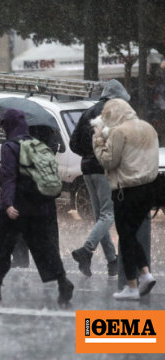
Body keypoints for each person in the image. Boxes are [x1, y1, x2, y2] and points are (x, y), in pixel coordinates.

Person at [0, 109, 73, 304]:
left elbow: (9, 177)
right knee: (45, 247)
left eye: (3, 126)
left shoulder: (10, 147)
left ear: (9, 126)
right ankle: (63, 282)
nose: (3, 131)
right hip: (39, 206)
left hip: (17, 209)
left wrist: (8, 204)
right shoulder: (36, 144)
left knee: (3, 248)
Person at [92, 99, 159, 300]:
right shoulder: (148, 128)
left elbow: (108, 161)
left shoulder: (119, 132)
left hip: (126, 190)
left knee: (126, 236)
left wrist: (98, 140)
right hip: (149, 189)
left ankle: (132, 285)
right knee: (130, 234)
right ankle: (145, 274)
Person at [69, 79, 129, 277]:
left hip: (87, 169)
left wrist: (88, 155)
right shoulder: (114, 112)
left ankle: (112, 261)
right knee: (108, 214)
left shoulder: (88, 111)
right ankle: (86, 250)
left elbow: (73, 143)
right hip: (104, 168)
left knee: (100, 216)